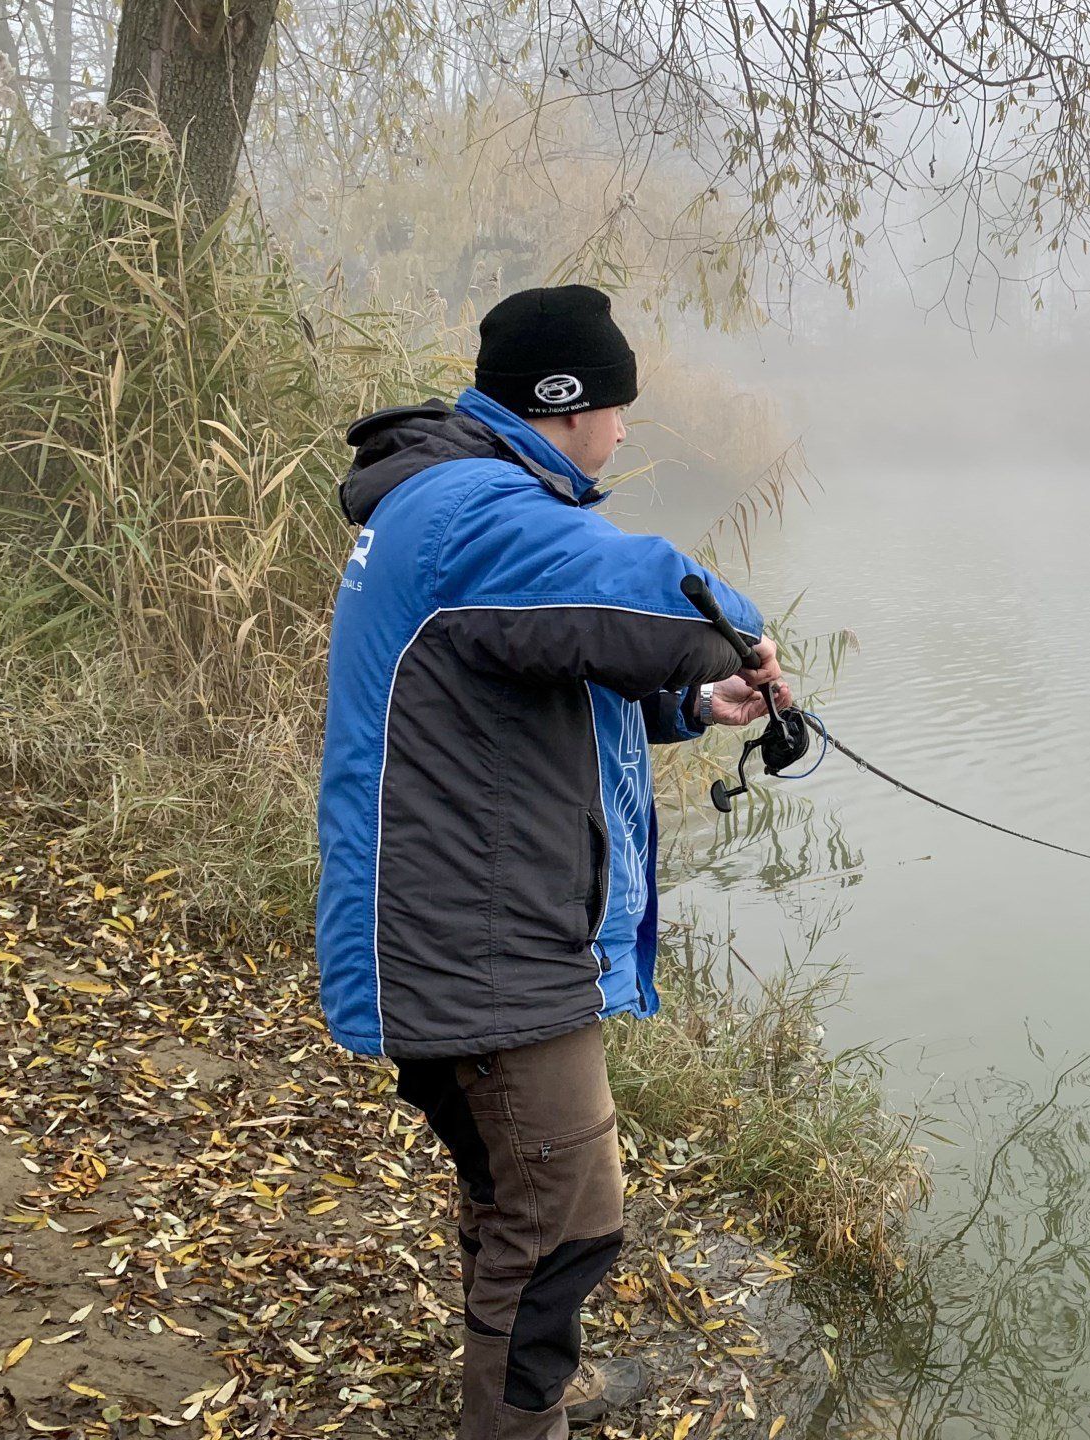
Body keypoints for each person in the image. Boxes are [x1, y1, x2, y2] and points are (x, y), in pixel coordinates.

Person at [313, 284, 789, 1440]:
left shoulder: (458, 505)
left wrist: (692, 698)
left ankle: (518, 1402)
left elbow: (537, 671)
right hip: (477, 951)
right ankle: (519, 1423)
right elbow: (636, 586)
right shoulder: (473, 507)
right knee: (566, 1219)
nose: (625, 433)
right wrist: (742, 639)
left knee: (513, 1199)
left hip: (463, 932)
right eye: (617, 408)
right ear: (567, 404)